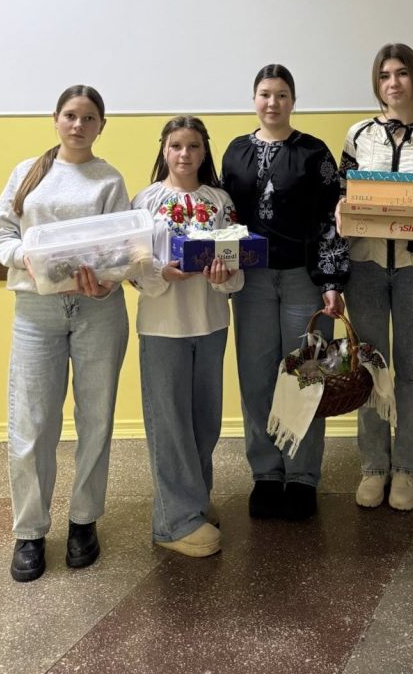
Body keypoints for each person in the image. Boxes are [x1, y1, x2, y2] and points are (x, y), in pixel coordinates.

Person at [0, 85, 130, 582]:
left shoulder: (109, 179)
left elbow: (121, 248)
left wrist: (107, 277)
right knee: (32, 422)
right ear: (55, 118)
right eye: (70, 115)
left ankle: (84, 521)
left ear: (101, 126)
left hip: (98, 311)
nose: (78, 125)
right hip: (36, 311)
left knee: (96, 418)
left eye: (89, 118)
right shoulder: (28, 172)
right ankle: (29, 531)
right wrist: (23, 257)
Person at [221, 64, 349, 521]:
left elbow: (333, 219)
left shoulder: (314, 152)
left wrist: (332, 281)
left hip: (303, 279)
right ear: (254, 99)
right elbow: (225, 217)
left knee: (305, 377)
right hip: (252, 281)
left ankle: (302, 476)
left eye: (281, 94)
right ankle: (266, 473)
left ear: (293, 100)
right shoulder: (235, 152)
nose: (272, 102)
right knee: (256, 380)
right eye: (264, 94)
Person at [338, 43, 413, 512]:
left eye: (402, 73)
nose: (394, 83)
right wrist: (342, 210)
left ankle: (406, 468)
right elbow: (343, 194)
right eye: (385, 75)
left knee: (410, 370)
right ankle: (374, 466)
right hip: (365, 265)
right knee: (371, 367)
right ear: (377, 83)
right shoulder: (358, 135)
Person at [131, 116, 244, 558]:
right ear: (164, 149)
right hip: (163, 326)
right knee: (170, 424)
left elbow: (236, 260)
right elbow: (133, 267)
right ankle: (172, 522)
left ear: (204, 151)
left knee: (204, 420)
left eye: (193, 146)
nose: (184, 154)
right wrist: (162, 273)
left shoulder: (220, 201)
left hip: (210, 322)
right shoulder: (145, 202)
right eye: (176, 145)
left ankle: (194, 500)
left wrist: (224, 275)